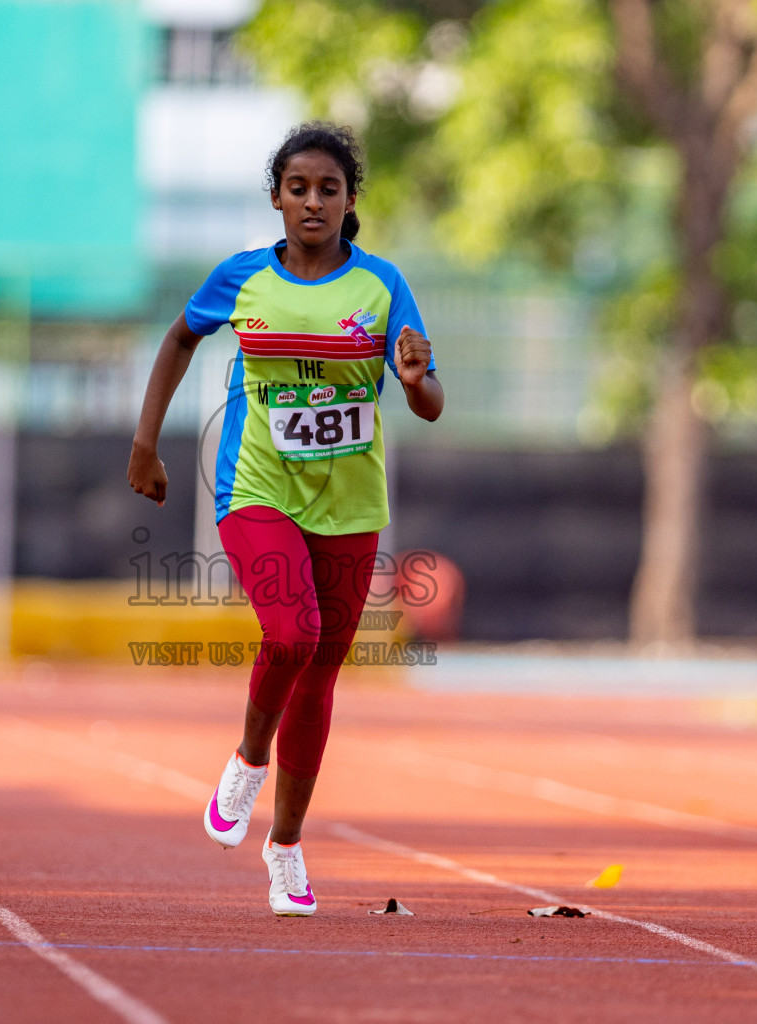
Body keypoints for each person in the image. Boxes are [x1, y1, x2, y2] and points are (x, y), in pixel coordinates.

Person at [129, 122, 443, 915]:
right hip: (256, 488)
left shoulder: (380, 287)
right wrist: (144, 445)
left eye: (328, 189)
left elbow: (431, 401)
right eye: (297, 188)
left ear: (350, 201)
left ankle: (287, 847)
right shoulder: (241, 279)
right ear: (276, 198)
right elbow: (177, 339)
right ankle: (246, 758)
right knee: (292, 635)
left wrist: (411, 379)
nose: (312, 201)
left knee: (323, 675)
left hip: (349, 503)